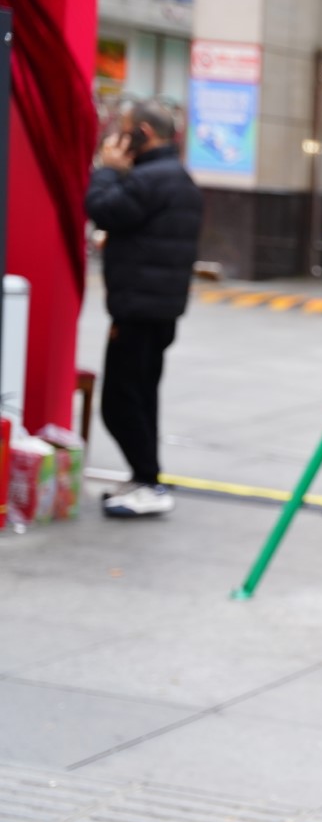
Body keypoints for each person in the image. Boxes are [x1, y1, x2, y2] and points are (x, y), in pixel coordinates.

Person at [84, 99, 203, 517]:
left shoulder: (149, 179)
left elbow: (101, 209)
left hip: (136, 309)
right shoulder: (177, 177)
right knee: (142, 396)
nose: (118, 136)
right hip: (160, 309)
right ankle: (143, 478)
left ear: (144, 133)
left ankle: (149, 482)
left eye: (124, 128)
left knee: (119, 402)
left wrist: (107, 169)